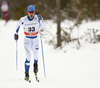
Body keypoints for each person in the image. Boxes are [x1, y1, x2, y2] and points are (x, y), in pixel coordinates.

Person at [14, 5, 46, 81]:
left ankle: (35, 67)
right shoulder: (23, 19)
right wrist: (16, 33)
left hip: (35, 39)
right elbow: (17, 25)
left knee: (36, 56)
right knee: (28, 56)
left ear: (34, 12)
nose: (31, 14)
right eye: (29, 12)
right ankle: (27, 73)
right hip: (27, 40)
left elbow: (44, 27)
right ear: (27, 12)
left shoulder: (37, 18)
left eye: (32, 12)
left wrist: (41, 19)